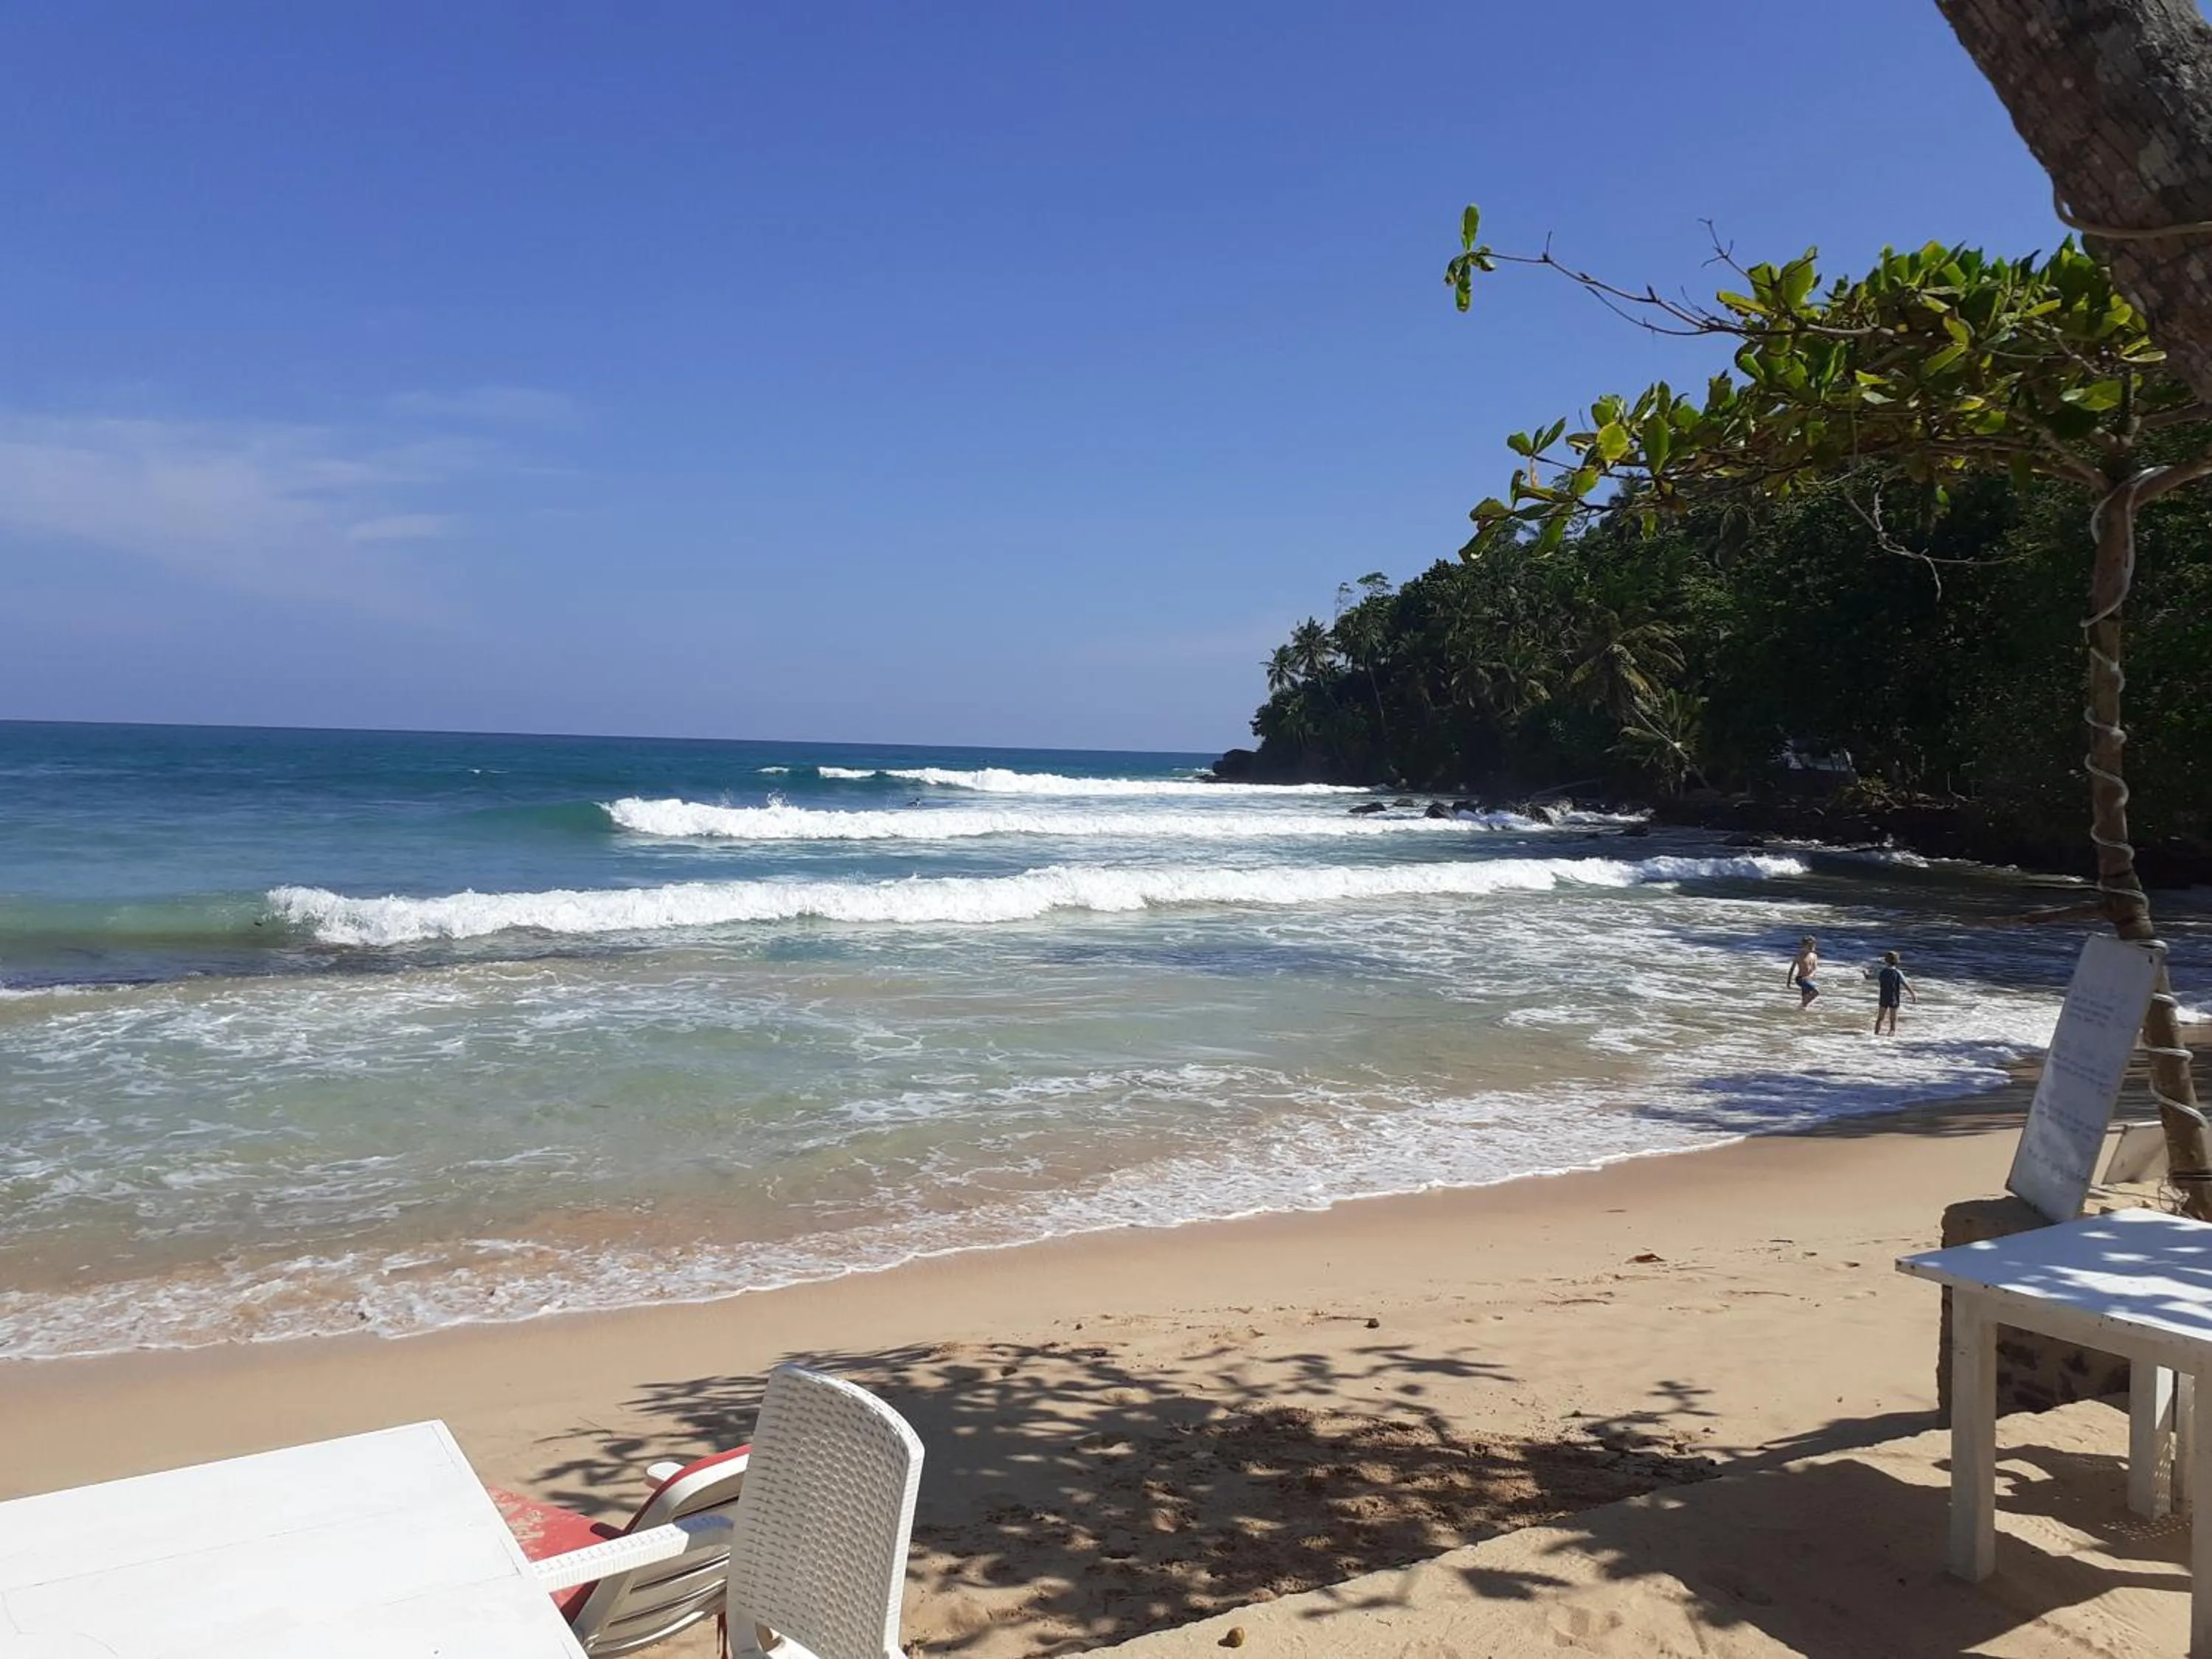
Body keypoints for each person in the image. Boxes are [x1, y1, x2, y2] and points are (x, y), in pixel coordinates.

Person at [1874, 949, 1916, 1035]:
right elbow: (1906, 984)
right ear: (1897, 961)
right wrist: (1913, 994)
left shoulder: (1882, 972)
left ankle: (1876, 1034)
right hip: (1894, 998)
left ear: (1885, 960)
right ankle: (1891, 1033)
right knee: (1893, 1019)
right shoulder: (1898, 973)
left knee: (1880, 1018)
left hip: (1883, 997)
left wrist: (1865, 973)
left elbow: (1868, 977)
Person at [1787, 935, 1820, 1009]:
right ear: (1804, 946)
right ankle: (1802, 1006)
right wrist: (1788, 982)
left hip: (1809, 979)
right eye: (1809, 945)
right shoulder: (1799, 955)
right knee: (1816, 992)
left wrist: (1810, 976)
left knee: (1805, 998)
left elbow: (1814, 968)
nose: (1812, 947)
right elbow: (1792, 969)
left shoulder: (1814, 956)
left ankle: (1801, 1010)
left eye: (1813, 945)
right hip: (1801, 979)